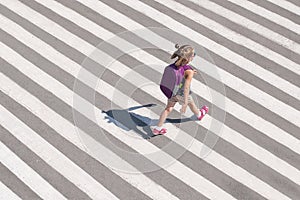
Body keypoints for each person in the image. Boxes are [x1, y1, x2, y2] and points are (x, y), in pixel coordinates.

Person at [153, 44, 209, 135]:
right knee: (192, 103)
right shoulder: (189, 71)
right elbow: (186, 88)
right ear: (189, 58)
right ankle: (199, 114)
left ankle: (158, 128)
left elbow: (181, 72)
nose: (194, 56)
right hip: (181, 94)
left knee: (168, 109)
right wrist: (185, 103)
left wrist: (190, 72)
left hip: (171, 92)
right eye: (193, 55)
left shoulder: (174, 65)